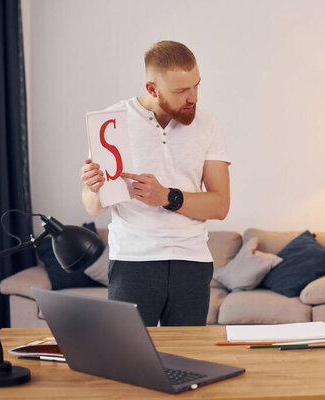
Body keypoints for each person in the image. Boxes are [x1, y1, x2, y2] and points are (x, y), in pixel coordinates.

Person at [80, 40, 230, 327]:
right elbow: (92, 207)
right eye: (181, 91)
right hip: (132, 261)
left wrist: (167, 196)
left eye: (196, 86)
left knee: (189, 362)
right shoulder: (111, 122)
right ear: (152, 89)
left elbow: (220, 204)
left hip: (191, 261)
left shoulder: (208, 125)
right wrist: (95, 187)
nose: (193, 98)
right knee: (128, 362)